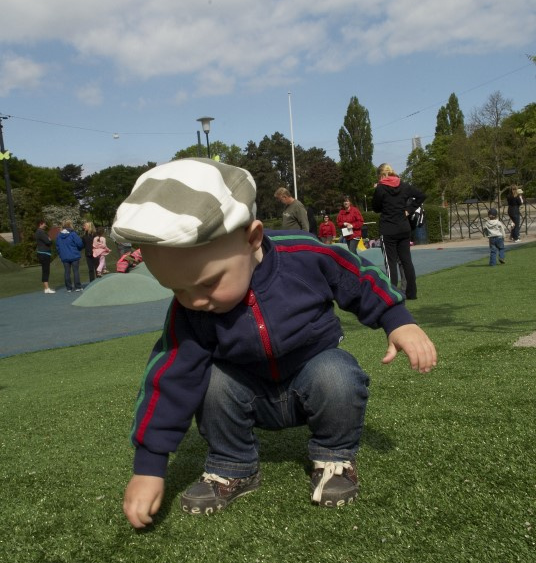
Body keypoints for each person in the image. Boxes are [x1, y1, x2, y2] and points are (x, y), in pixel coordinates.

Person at [111, 158, 437, 529]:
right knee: (210, 381)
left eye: (207, 283)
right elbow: (170, 379)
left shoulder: (304, 255)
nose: (194, 300)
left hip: (311, 378)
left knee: (337, 372)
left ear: (251, 239)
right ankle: (233, 465)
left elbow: (357, 276)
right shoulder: (191, 311)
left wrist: (397, 321)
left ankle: (333, 456)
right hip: (247, 393)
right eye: (176, 289)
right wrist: (149, 466)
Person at [371, 164, 426, 301]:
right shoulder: (403, 185)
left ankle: (391, 293)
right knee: (407, 261)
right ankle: (411, 293)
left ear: (381, 175)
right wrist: (409, 209)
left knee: (390, 264)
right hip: (403, 227)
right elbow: (421, 196)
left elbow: (376, 208)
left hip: (388, 229)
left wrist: (376, 191)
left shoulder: (381, 188)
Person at [55, 220, 84, 292]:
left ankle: (69, 288)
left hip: (64, 256)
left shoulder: (59, 235)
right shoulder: (73, 234)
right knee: (75, 271)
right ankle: (77, 287)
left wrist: (61, 254)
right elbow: (80, 243)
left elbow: (57, 247)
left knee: (67, 272)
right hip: (74, 255)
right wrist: (78, 249)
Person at [35, 219, 55, 294]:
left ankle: (46, 287)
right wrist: (49, 239)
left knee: (45, 270)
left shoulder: (38, 232)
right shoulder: (41, 232)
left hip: (43, 253)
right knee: (46, 270)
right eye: (44, 224)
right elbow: (48, 241)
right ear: (40, 224)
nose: (45, 225)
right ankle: (46, 288)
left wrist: (49, 239)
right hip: (44, 253)